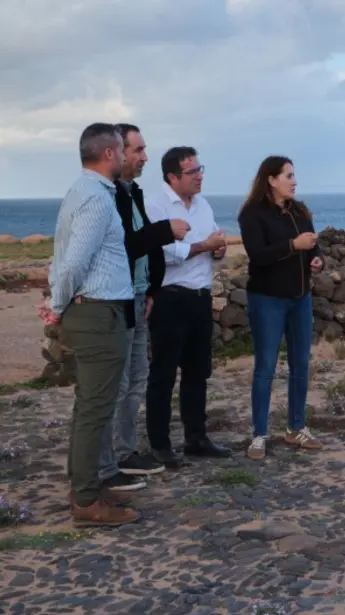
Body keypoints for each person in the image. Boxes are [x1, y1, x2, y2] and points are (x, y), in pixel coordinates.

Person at [48, 123, 139, 525]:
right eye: (121, 150)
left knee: (92, 407)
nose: (125, 157)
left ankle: (86, 486)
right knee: (95, 409)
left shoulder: (81, 192)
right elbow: (73, 262)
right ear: (107, 153)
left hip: (97, 311)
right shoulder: (96, 199)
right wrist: (56, 304)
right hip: (98, 313)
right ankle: (86, 501)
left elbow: (63, 255)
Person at [92, 123, 191, 489]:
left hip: (138, 296)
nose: (144, 157)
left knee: (137, 379)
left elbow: (141, 247)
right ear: (116, 151)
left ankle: (126, 450)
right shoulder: (109, 196)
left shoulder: (132, 193)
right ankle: (105, 463)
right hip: (116, 298)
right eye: (137, 150)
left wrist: (150, 288)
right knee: (116, 385)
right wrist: (166, 230)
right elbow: (124, 246)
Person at [143, 147, 231, 466]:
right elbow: (165, 251)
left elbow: (211, 241)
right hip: (170, 299)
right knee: (164, 374)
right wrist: (205, 246)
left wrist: (216, 250)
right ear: (172, 176)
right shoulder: (155, 205)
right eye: (192, 171)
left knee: (197, 372)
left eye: (200, 169)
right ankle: (160, 444)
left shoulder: (203, 205)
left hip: (199, 297)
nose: (200, 176)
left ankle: (196, 438)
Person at [236, 156, 325, 460]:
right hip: (268, 300)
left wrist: (317, 259)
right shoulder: (251, 214)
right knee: (265, 368)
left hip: (300, 298)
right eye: (289, 175)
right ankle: (259, 434)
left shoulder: (299, 211)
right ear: (271, 180)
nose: (294, 180)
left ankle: (296, 427)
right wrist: (292, 246)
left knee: (300, 365)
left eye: (294, 175)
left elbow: (313, 246)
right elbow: (257, 255)